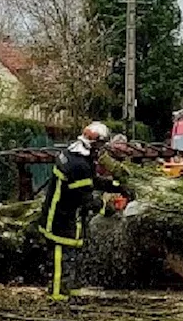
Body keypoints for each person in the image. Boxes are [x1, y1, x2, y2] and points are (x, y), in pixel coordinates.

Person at [38, 121, 123, 301]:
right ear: (93, 144)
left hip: (62, 214)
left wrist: (117, 186)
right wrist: (106, 207)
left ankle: (71, 291)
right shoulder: (79, 165)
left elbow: (92, 181)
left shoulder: (75, 155)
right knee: (63, 256)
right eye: (100, 146)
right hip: (61, 218)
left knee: (72, 256)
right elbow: (85, 199)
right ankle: (58, 298)